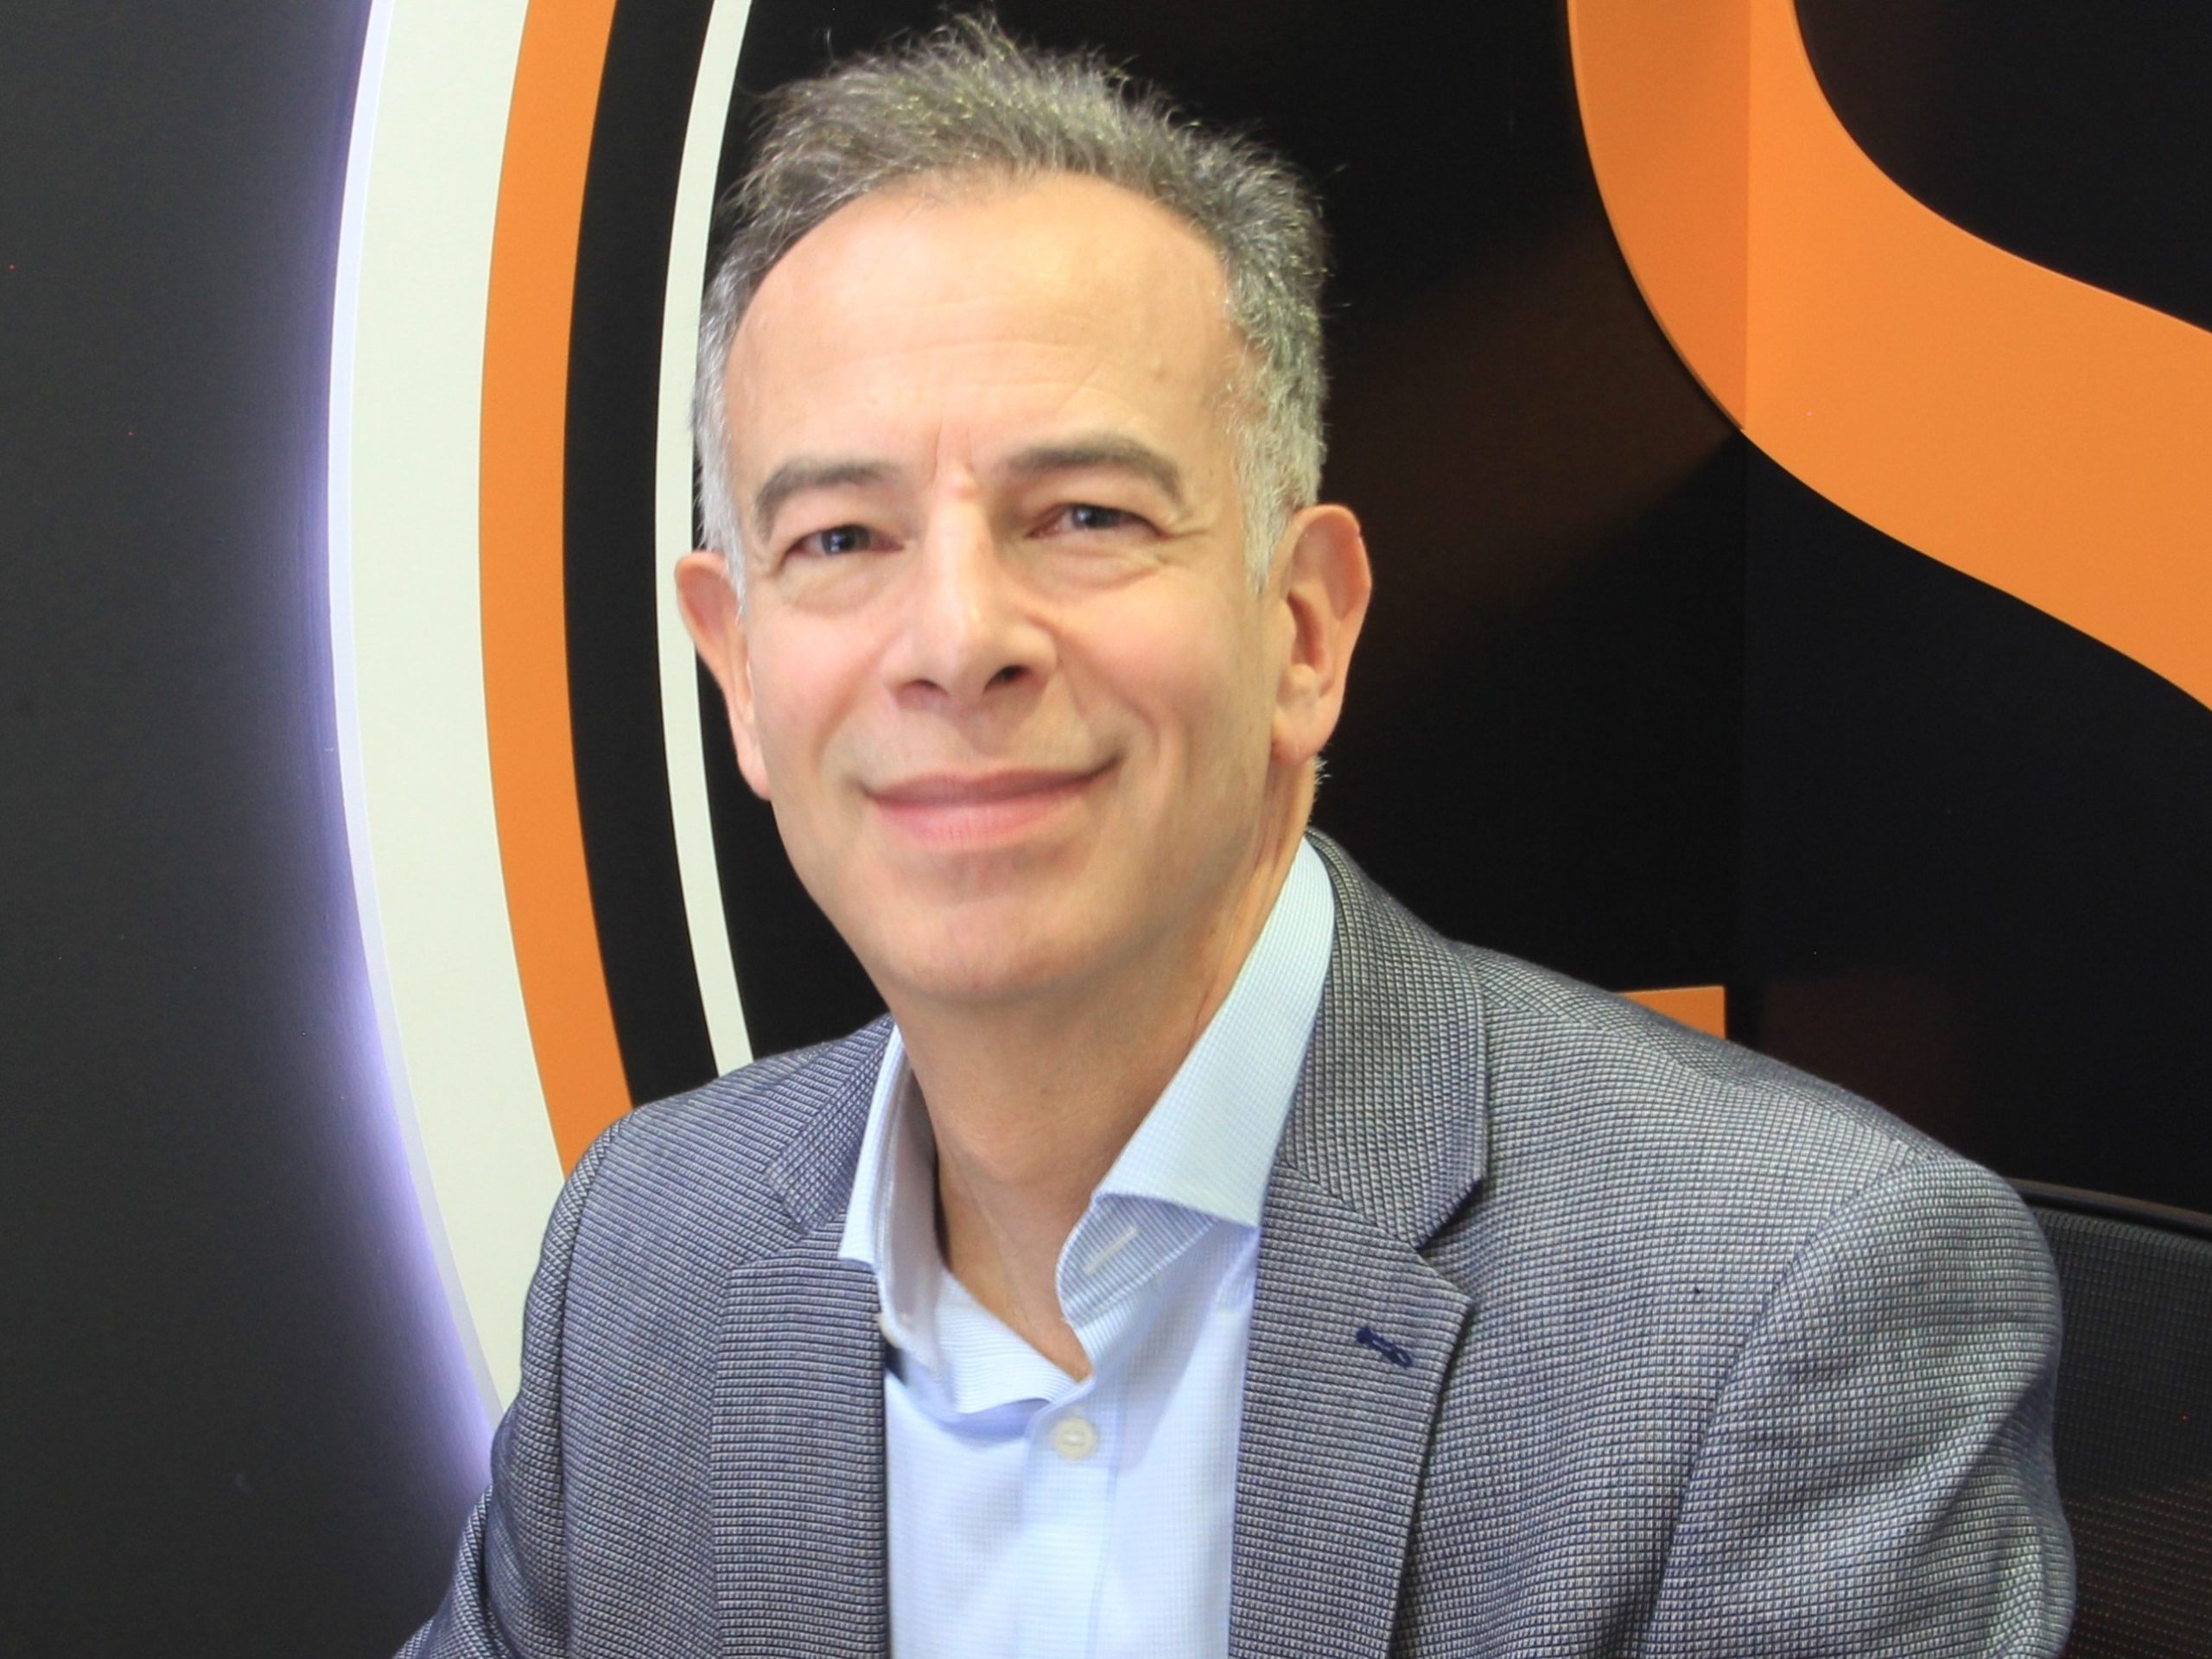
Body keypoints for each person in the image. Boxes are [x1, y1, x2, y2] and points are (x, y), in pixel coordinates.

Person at [403, 18, 2072, 1657]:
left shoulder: (1790, 1307)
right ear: (741, 674)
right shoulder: (648, 1251)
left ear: (1303, 630)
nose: (957, 639)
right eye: (841, 537)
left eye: (1086, 516)